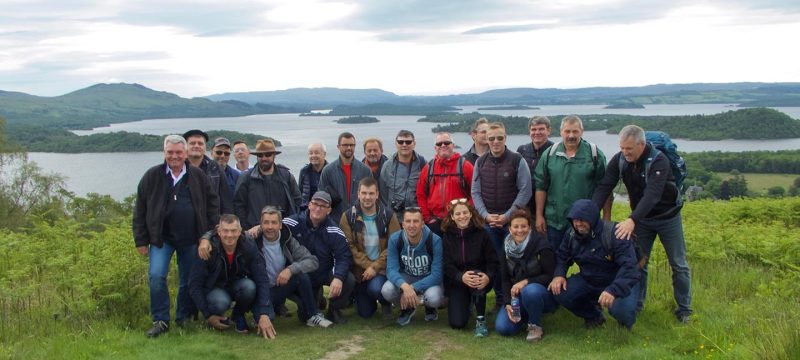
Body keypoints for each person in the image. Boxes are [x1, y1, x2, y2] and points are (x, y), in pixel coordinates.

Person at [591, 125, 692, 323]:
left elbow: (652, 196)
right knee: (639, 263)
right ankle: (637, 305)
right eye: (622, 148)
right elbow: (605, 186)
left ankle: (685, 310)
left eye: (629, 149)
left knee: (678, 264)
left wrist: (632, 220)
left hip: (668, 218)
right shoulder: (620, 159)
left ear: (642, 144)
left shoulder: (658, 161)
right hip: (642, 220)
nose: (625, 153)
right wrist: (591, 213)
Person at [132, 135, 219, 337]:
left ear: (185, 153)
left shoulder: (197, 176)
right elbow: (140, 210)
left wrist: (207, 235)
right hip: (161, 239)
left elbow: (213, 206)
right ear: (164, 153)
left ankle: (183, 318)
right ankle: (161, 319)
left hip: (191, 239)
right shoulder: (152, 176)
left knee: (187, 281)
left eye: (179, 152)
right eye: (170, 152)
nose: (174, 156)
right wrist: (141, 240)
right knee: (156, 276)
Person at [548, 200, 640, 330]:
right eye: (575, 219)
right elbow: (562, 256)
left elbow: (630, 268)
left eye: (582, 219)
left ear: (592, 218)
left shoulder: (616, 233)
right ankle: (593, 315)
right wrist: (559, 274)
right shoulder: (571, 234)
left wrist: (613, 290)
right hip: (589, 279)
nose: (578, 223)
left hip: (619, 280)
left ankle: (624, 326)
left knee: (621, 311)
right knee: (560, 292)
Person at [471, 122, 532, 310]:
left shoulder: (516, 160)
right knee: (495, 261)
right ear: (486, 140)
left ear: (505, 138)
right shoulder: (480, 162)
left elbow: (525, 190)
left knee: (514, 262)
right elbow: (475, 192)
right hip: (489, 223)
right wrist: (485, 215)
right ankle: (500, 301)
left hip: (511, 224)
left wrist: (507, 216)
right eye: (491, 138)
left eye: (499, 138)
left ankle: (519, 301)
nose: (495, 142)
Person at [188, 214, 276, 338]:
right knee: (221, 302)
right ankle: (215, 317)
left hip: (237, 285)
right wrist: (208, 315)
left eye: (234, 231)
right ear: (218, 231)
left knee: (250, 287)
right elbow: (194, 285)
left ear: (240, 231)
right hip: (214, 288)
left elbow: (262, 279)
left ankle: (238, 314)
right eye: (225, 231)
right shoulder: (206, 248)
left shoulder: (249, 245)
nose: (229, 235)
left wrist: (264, 314)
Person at [534, 115, 608, 251]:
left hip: (584, 221)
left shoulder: (594, 154)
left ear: (582, 131)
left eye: (575, 131)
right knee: (555, 261)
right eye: (567, 131)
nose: (571, 135)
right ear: (561, 132)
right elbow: (540, 186)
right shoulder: (550, 154)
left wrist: (607, 219)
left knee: (588, 261)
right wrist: (539, 216)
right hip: (555, 221)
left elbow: (605, 188)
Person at [282, 191, 355, 324]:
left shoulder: (334, 230)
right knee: (305, 317)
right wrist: (258, 228)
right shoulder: (292, 223)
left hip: (324, 272)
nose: (318, 208)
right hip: (302, 275)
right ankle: (314, 298)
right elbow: (273, 226)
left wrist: (338, 278)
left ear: (329, 210)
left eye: (323, 206)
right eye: (315, 204)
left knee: (348, 279)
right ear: (309, 205)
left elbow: (343, 257)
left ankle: (334, 309)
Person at [254, 206, 333, 328]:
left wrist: (290, 269)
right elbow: (229, 233)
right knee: (267, 318)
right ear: (260, 225)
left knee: (301, 276)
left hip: (280, 287)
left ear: (280, 225)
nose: (270, 227)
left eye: (274, 222)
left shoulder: (288, 240)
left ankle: (312, 315)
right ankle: (254, 313)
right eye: (266, 223)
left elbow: (312, 261)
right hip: (260, 291)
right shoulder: (252, 240)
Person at [340, 177, 400, 319]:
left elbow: (394, 245)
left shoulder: (389, 216)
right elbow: (349, 246)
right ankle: (361, 298)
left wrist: (375, 267)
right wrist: (368, 266)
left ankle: (386, 302)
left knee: (375, 289)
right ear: (358, 194)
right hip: (360, 270)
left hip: (382, 269)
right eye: (364, 193)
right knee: (365, 313)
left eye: (371, 193)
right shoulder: (348, 217)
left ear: (377, 194)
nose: (367, 197)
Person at [494, 209, 556, 342]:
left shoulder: (541, 245)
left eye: (523, 226)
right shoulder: (505, 248)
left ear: (529, 227)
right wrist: (507, 303)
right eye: (515, 226)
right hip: (516, 297)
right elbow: (505, 280)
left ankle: (535, 326)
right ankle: (524, 318)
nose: (520, 230)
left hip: (542, 293)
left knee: (530, 291)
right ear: (510, 229)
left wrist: (526, 281)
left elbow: (550, 276)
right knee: (503, 328)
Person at [441, 198, 498, 337]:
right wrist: (461, 277)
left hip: (479, 280)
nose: (462, 216)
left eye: (465, 212)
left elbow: (493, 261)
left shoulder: (482, 233)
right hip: (458, 281)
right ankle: (468, 304)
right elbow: (446, 264)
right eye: (458, 214)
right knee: (457, 323)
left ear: (471, 214)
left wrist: (488, 277)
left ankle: (480, 319)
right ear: (452, 217)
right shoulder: (447, 236)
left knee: (476, 275)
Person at [382, 208, 444, 326]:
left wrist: (413, 287)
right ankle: (407, 308)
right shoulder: (395, 239)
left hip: (428, 277)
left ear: (422, 223)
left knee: (433, 298)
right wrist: (405, 286)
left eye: (415, 221)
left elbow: (437, 275)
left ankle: (429, 307)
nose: (411, 225)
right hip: (407, 276)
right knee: (387, 290)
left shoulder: (434, 240)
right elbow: (390, 270)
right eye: (408, 221)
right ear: (403, 224)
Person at [234, 139, 302, 233]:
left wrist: (288, 225)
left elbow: (297, 202)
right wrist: (247, 230)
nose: (264, 158)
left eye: (268, 154)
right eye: (260, 155)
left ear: (274, 155)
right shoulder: (246, 178)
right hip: (254, 233)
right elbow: (239, 206)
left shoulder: (286, 176)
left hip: (282, 232)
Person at [416, 132, 474, 237]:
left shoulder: (465, 166)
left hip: (458, 221)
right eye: (439, 144)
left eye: (447, 142)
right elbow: (420, 194)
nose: (443, 145)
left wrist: (465, 215)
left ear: (453, 145)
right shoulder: (428, 168)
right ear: (435, 148)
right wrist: (427, 218)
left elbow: (475, 193)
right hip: (434, 222)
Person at [319, 132, 373, 223]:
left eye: (352, 145)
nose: (349, 148)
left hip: (360, 221)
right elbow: (322, 198)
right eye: (345, 145)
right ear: (338, 147)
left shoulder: (365, 171)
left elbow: (372, 196)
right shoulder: (328, 171)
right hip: (335, 221)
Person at [183, 129, 233, 214]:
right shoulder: (178, 168)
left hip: (210, 221)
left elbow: (226, 201)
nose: (196, 146)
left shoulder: (215, 168)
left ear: (205, 147)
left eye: (200, 143)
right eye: (192, 143)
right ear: (185, 146)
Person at [379, 130, 426, 219]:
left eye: (408, 142)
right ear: (396, 144)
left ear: (414, 143)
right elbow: (383, 193)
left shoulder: (422, 164)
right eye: (400, 142)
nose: (404, 145)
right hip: (394, 218)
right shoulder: (387, 166)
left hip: (416, 218)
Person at [516, 116, 553, 216]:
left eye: (541, 129)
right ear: (529, 131)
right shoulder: (522, 150)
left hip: (548, 206)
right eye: (533, 129)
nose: (537, 132)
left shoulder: (555, 151)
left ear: (548, 131)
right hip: (526, 206)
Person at [298, 142, 328, 211]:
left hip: (325, 210)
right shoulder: (304, 171)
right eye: (311, 153)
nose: (313, 155)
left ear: (324, 154)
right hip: (307, 210)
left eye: (316, 153)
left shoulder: (330, 171)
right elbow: (300, 192)